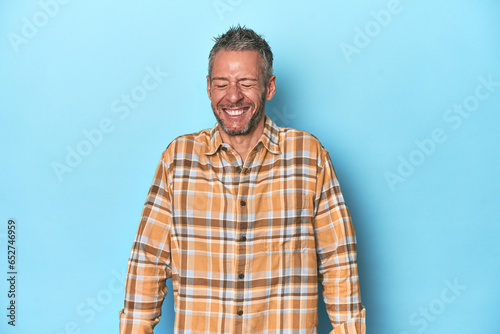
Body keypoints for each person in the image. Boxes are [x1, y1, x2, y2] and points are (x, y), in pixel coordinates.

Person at [119, 25, 366, 334]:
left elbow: (338, 259)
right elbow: (148, 262)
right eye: (222, 84)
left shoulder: (308, 157)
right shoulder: (178, 159)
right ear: (209, 87)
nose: (233, 96)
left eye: (246, 83)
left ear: (269, 87)